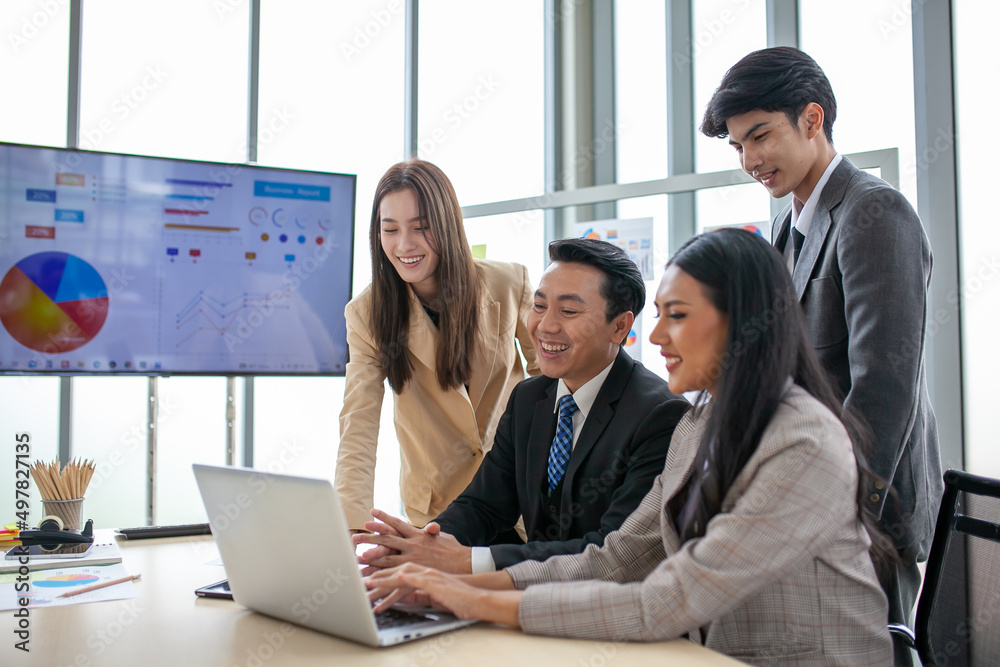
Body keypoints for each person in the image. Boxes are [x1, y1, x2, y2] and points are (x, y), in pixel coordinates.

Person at [366, 229, 894, 665]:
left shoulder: (802, 442)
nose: (657, 336)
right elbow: (617, 559)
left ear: (742, 323)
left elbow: (669, 600)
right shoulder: (700, 425)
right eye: (659, 314)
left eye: (678, 315)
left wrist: (472, 598)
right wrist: (455, 584)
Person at [700, 46, 941, 662]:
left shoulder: (874, 211)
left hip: (862, 515)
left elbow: (884, 387)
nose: (750, 160)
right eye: (738, 146)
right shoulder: (790, 224)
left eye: (761, 136)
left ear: (812, 119)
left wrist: (838, 513)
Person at [353, 238, 689, 573]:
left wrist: (468, 560)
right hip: (529, 595)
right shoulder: (529, 398)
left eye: (569, 311)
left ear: (620, 326)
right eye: (539, 306)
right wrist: (420, 544)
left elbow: (611, 552)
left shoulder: (661, 415)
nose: (545, 326)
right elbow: (485, 504)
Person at [335, 159, 539, 531]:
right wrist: (353, 525)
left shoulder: (509, 283)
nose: (404, 244)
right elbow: (358, 423)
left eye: (421, 227)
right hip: (440, 510)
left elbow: (553, 381)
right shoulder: (366, 314)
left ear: (447, 224)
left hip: (519, 497)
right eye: (390, 229)